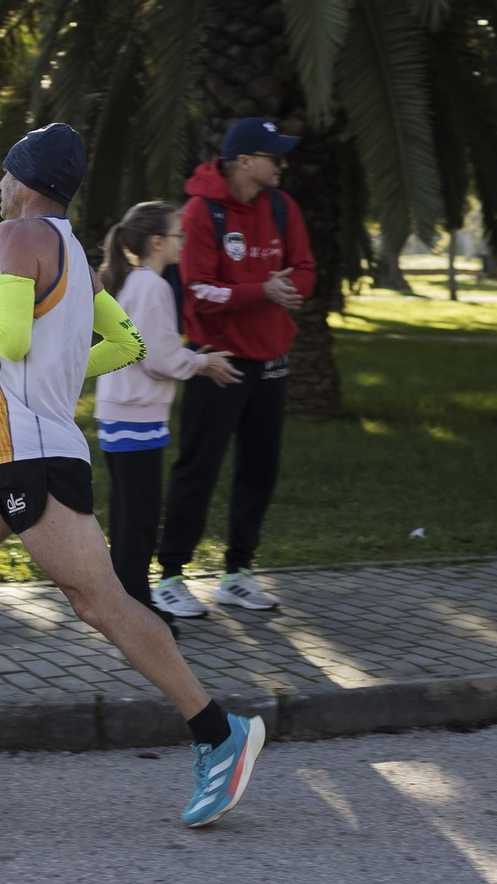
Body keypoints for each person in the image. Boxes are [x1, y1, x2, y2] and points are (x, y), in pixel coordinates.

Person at [0, 123, 267, 829]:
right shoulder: (78, 257)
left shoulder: (15, 237)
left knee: (100, 602)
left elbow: (12, 338)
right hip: (5, 455)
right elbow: (127, 344)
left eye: (4, 172)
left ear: (24, 178)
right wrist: (50, 376)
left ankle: (218, 733)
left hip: (33, 457)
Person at [153, 117, 316, 615]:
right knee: (198, 468)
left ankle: (237, 574)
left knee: (259, 470)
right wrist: (260, 291)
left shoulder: (284, 208)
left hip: (271, 361)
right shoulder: (202, 213)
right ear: (244, 161)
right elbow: (198, 290)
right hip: (217, 363)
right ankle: (170, 577)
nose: (282, 164)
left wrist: (290, 289)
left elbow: (305, 268)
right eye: (274, 156)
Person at [94, 202, 242, 632]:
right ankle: (137, 615)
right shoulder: (152, 286)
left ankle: (125, 606)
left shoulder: (133, 282)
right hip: (136, 415)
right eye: (179, 235)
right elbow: (156, 357)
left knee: (127, 518)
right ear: (157, 243)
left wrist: (192, 359)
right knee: (138, 521)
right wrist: (203, 363)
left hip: (122, 412)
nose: (184, 241)